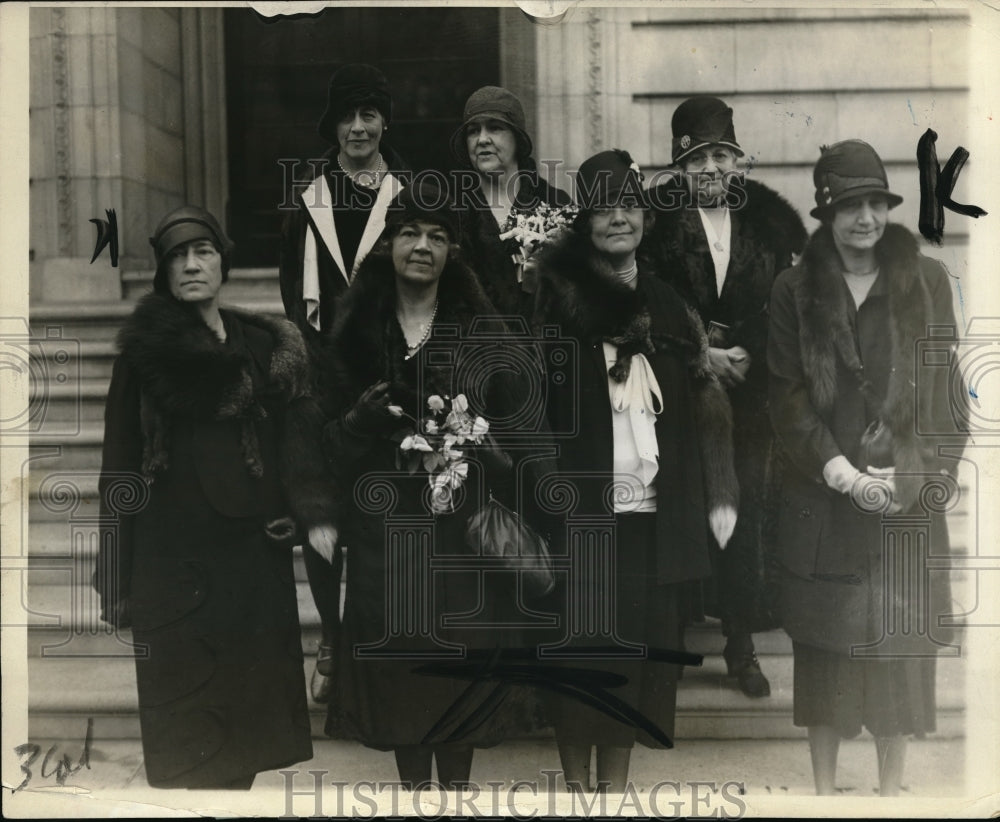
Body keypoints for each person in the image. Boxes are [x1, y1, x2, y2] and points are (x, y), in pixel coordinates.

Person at [93, 206, 332, 788]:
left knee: (247, 734)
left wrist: (296, 515)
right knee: (190, 740)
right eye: (177, 257)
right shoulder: (145, 355)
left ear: (223, 263)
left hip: (251, 558)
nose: (192, 265)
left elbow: (292, 443)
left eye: (202, 253)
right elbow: (119, 466)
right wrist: (116, 571)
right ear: (164, 274)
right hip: (174, 561)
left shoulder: (260, 342)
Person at [318, 181, 546, 789]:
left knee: (462, 663)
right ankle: (417, 793)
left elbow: (523, 439)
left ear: (453, 253)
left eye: (438, 237)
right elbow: (322, 443)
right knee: (401, 673)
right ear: (389, 243)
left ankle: (457, 793)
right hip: (384, 534)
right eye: (410, 233)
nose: (423, 246)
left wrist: (482, 447)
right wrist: (357, 422)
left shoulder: (484, 334)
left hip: (461, 533)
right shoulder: (353, 333)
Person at [531, 150, 738, 793]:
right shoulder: (557, 302)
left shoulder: (671, 305)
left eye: (628, 204)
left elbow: (700, 400)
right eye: (603, 207)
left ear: (644, 216)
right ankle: (574, 791)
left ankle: (614, 792)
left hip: (649, 515)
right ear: (585, 222)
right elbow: (532, 407)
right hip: (581, 512)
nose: (618, 217)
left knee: (635, 657)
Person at [767, 140, 968, 795]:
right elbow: (786, 396)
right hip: (823, 500)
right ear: (825, 212)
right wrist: (840, 471)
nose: (866, 218)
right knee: (824, 654)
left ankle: (890, 794)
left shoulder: (927, 282)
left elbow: (946, 397)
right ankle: (823, 795)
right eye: (851, 205)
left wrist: (910, 478)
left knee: (897, 655)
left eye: (876, 203)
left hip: (902, 498)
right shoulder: (794, 289)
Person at [645, 96, 807, 697]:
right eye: (697, 159)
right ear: (679, 166)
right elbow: (645, 296)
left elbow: (789, 302)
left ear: (738, 163)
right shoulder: (654, 224)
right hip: (677, 387)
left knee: (747, 510)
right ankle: (676, 638)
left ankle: (742, 645)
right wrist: (697, 352)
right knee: (682, 506)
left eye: (722, 156)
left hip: (749, 386)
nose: (711, 169)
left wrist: (750, 353)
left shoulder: (770, 224)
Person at [278, 63, 408, 702]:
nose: (357, 128)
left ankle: (373, 649)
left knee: (383, 516)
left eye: (368, 115)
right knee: (322, 517)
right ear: (332, 127)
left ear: (385, 122)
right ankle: (331, 637)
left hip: (393, 379)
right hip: (327, 381)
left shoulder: (409, 194)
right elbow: (289, 292)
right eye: (346, 118)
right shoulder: (309, 199)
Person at [449, 85, 570, 321]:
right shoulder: (452, 210)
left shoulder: (555, 203)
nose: (482, 139)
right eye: (473, 131)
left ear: (517, 138)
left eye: (494, 128)